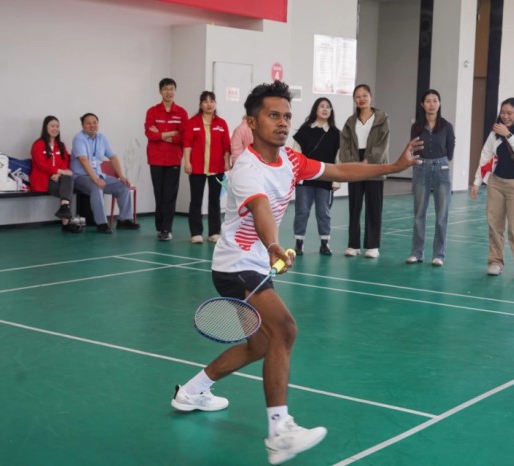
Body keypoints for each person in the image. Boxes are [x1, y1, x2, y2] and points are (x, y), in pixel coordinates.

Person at [171, 81, 422, 465]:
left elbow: (339, 169)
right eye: (273, 115)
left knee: (260, 345)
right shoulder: (246, 168)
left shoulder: (290, 159)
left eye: (287, 116)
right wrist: (273, 244)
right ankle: (279, 431)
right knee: (285, 330)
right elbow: (261, 211)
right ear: (251, 122)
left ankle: (191, 391)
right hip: (236, 267)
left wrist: (393, 167)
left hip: (254, 264)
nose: (283, 123)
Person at [470, 98, 514, 278]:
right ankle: (495, 261)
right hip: (496, 183)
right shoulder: (495, 132)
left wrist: (508, 135)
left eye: (509, 113)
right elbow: (486, 156)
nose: (505, 116)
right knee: (494, 225)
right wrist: (477, 181)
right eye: (503, 112)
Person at [338, 84, 390, 258]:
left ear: (371, 97)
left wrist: (369, 160)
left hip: (374, 164)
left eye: (364, 95)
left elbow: (382, 143)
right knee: (354, 206)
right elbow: (344, 144)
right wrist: (352, 163)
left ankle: (372, 246)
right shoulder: (350, 121)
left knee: (374, 206)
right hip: (354, 163)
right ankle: (353, 245)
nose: (361, 99)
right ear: (354, 99)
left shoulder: (382, 118)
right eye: (357, 96)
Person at [406, 89, 455, 266]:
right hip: (421, 168)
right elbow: (413, 148)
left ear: (439, 103)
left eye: (435, 100)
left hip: (442, 168)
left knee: (442, 214)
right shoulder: (416, 127)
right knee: (419, 213)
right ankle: (417, 253)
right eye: (428, 101)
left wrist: (442, 161)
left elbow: (450, 149)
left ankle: (438, 255)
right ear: (422, 105)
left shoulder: (446, 126)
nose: (432, 104)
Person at [71, 113, 140, 234]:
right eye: (88, 123)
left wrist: (121, 176)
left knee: (123, 186)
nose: (92, 125)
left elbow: (113, 157)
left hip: (99, 175)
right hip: (81, 177)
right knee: (97, 187)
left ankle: (124, 220)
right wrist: (95, 179)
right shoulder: (78, 139)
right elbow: (83, 160)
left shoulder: (102, 138)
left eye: (95, 122)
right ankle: (102, 223)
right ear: (82, 126)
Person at [291, 97, 341, 256]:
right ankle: (299, 243)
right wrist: (296, 177)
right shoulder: (304, 130)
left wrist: (336, 180)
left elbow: (338, 159)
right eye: (322, 106)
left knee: (323, 213)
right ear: (315, 109)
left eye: (328, 107)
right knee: (302, 211)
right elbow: (296, 156)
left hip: (326, 178)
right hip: (305, 179)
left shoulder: (336, 134)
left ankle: (324, 244)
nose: (325, 109)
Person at [182, 91, 231, 244]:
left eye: (212, 101)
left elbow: (226, 146)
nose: (209, 104)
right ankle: (196, 233)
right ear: (200, 105)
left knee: (214, 200)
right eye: (205, 102)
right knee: (196, 200)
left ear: (215, 103)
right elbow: (187, 144)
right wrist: (187, 162)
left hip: (217, 167)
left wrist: (227, 162)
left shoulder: (221, 123)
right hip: (197, 168)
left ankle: (214, 232)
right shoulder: (192, 122)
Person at [144, 78, 189, 241]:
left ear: (175, 91)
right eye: (165, 89)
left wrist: (161, 134)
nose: (168, 92)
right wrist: (171, 133)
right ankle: (160, 226)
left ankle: (166, 229)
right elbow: (150, 134)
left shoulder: (181, 113)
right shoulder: (152, 111)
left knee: (170, 195)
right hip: (155, 159)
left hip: (173, 159)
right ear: (160, 91)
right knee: (159, 194)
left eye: (171, 89)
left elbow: (184, 136)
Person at [30, 115, 82, 233]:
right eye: (52, 126)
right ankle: (66, 223)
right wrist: (60, 171)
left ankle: (64, 208)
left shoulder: (61, 145)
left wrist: (59, 174)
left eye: (57, 126)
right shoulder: (38, 144)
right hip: (43, 179)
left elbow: (65, 161)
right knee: (67, 190)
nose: (55, 129)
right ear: (46, 127)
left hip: (58, 178)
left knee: (68, 181)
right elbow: (41, 164)